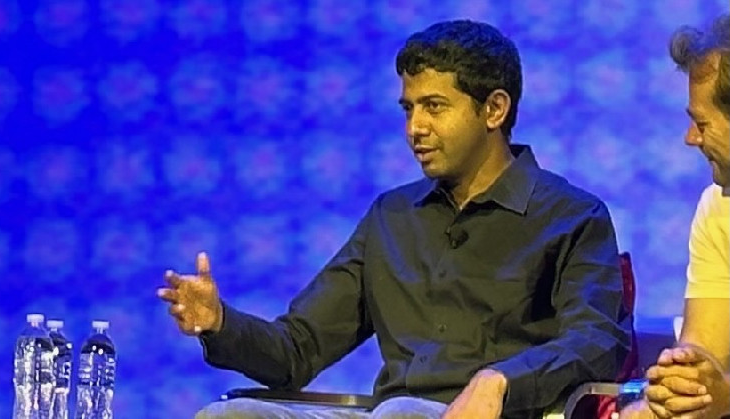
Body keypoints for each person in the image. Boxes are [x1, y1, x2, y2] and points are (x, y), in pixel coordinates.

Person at [157, 20, 631, 419]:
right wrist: (220, 322)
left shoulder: (572, 216)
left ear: (494, 109)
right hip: (388, 414)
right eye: (409, 109)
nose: (414, 128)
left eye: (434, 107)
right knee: (231, 415)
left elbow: (595, 343)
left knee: (402, 412)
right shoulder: (392, 216)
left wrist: (501, 380)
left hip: (494, 414)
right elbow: (297, 349)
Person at [620, 14, 730, 419]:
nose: (690, 138)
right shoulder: (718, 207)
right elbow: (703, 349)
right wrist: (679, 380)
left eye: (701, 123)